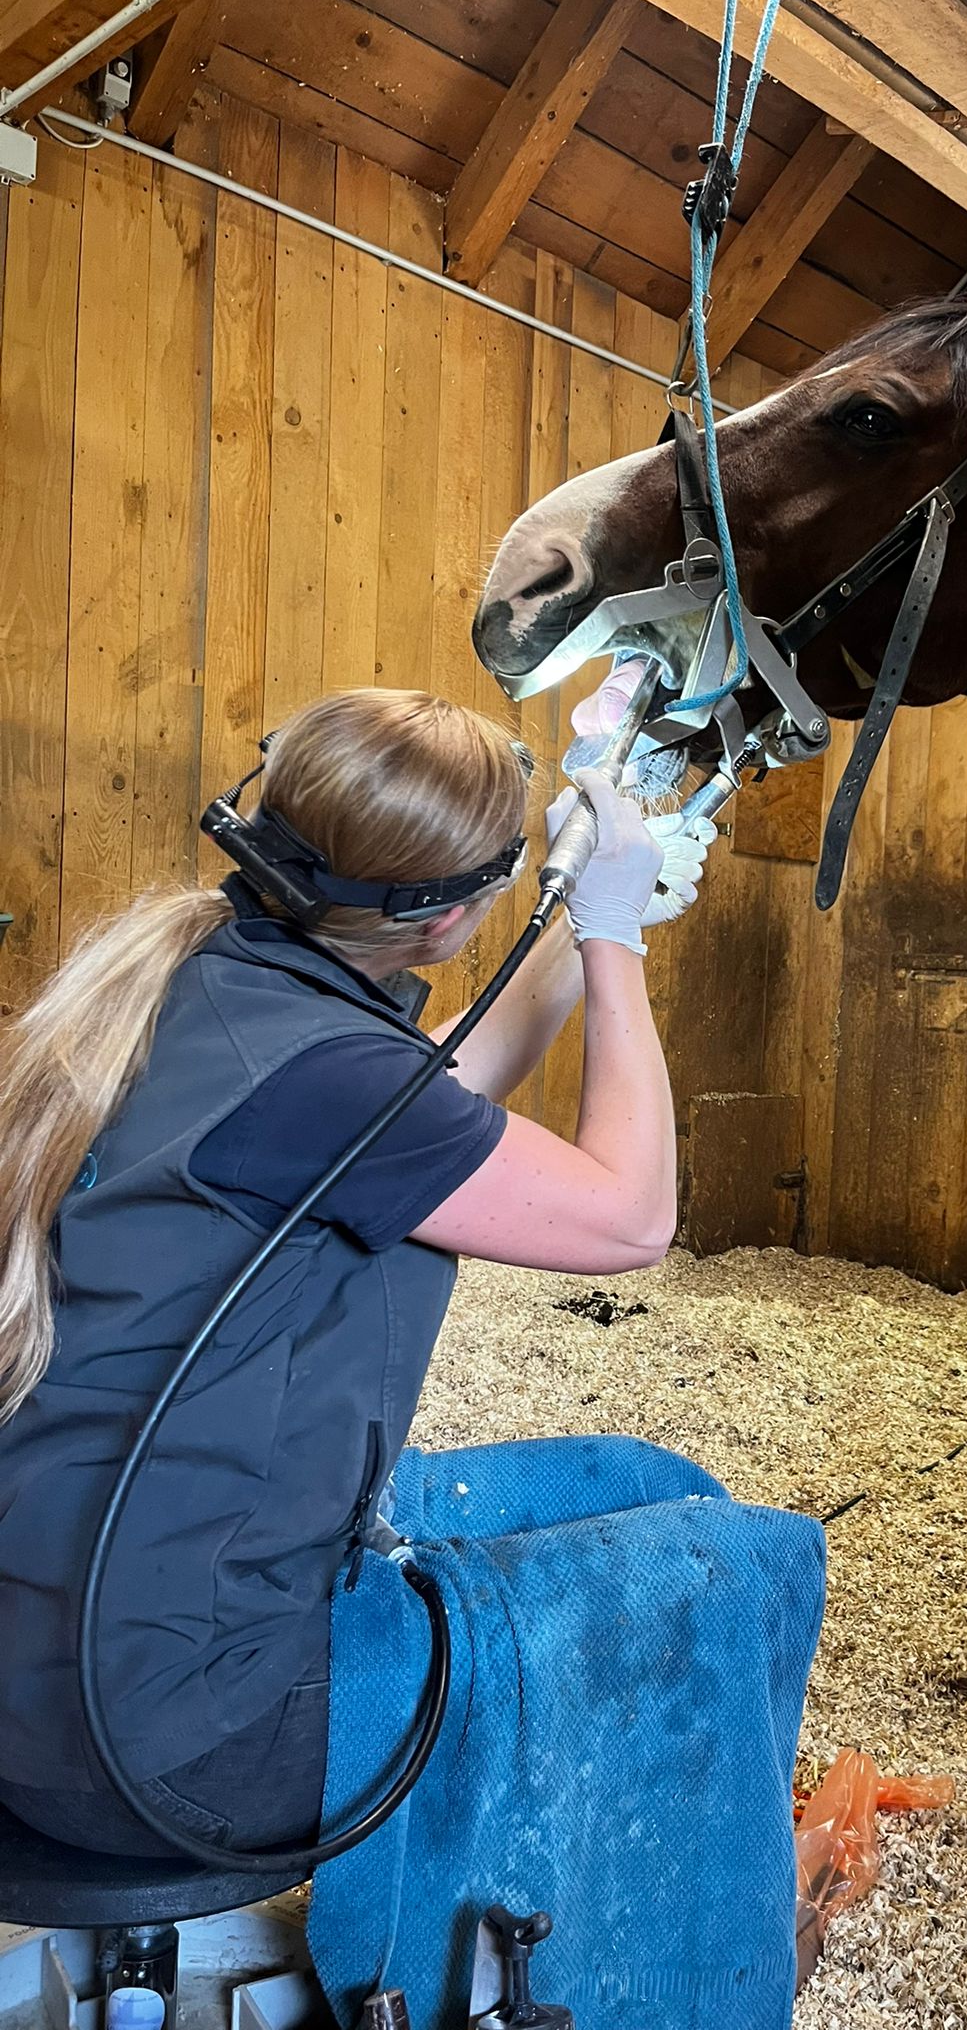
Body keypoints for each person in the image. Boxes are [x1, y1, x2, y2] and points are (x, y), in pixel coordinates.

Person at [0, 685, 713, 1858]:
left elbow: (439, 1085)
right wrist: (613, 939)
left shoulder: (222, 976)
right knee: (696, 1577)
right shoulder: (326, 1076)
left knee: (650, 1475)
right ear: (444, 922)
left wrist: (603, 912)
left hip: (61, 1660)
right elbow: (633, 1219)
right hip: (177, 1738)